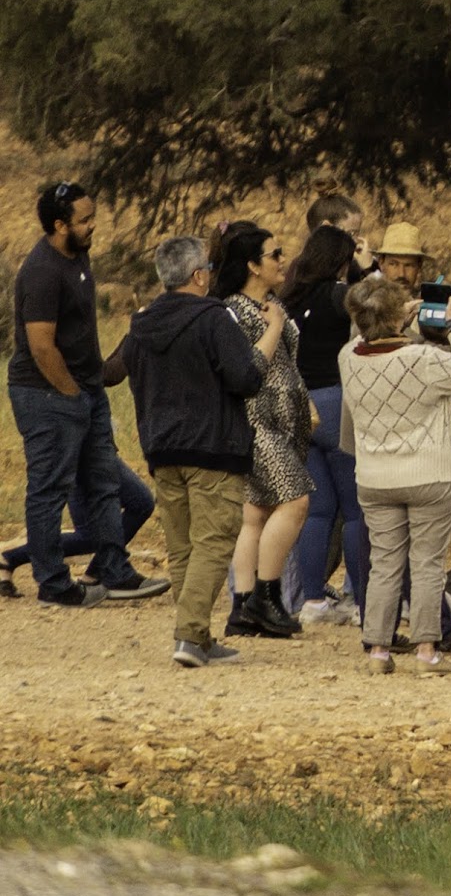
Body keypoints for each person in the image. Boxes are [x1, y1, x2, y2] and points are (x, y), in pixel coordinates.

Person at [122, 234, 277, 668]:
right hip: (213, 446)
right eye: (207, 266)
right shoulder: (214, 318)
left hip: (162, 447)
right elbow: (245, 379)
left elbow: (115, 370)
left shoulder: (143, 322)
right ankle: (190, 636)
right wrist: (272, 335)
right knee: (214, 540)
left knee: (184, 546)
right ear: (197, 275)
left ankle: (201, 636)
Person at [12, 180, 161, 605]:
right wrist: (71, 395)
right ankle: (54, 585)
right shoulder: (42, 272)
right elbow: (41, 344)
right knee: (49, 489)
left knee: (104, 484)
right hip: (46, 395)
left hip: (84, 391)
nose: (94, 226)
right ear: (60, 225)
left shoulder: (78, 256)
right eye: (85, 220)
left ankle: (115, 573)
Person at [340, 270, 451, 673]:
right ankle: (426, 651)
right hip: (428, 473)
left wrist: (387, 319)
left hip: (374, 477)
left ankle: (379, 651)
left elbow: (361, 337)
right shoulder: (421, 359)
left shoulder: (348, 358)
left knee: (384, 564)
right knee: (426, 563)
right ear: (395, 317)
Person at [212, 222, 314, 640]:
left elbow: (288, 361)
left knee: (255, 512)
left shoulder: (273, 302)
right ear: (253, 265)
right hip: (255, 419)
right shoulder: (232, 311)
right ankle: (266, 597)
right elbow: (248, 366)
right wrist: (273, 326)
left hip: (285, 415)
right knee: (296, 499)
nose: (283, 261)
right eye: (275, 254)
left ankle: (243, 606)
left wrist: (303, 400)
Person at [279, 201, 368, 624]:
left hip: (299, 404)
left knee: (317, 508)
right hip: (335, 401)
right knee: (356, 509)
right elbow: (374, 311)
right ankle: (366, 601)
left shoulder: (290, 299)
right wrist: (366, 273)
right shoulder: (339, 294)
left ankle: (311, 599)